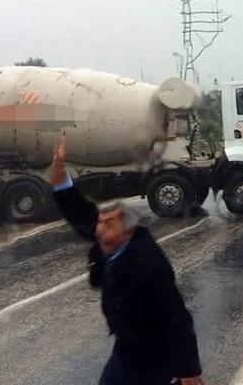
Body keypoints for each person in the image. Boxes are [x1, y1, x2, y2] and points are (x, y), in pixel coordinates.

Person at [49, 133, 204, 385]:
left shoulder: (148, 266)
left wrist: (189, 371)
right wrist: (59, 173)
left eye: (108, 223)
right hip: (128, 348)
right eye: (101, 222)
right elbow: (78, 209)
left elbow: (175, 316)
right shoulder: (109, 237)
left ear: (127, 230)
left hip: (155, 355)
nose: (100, 228)